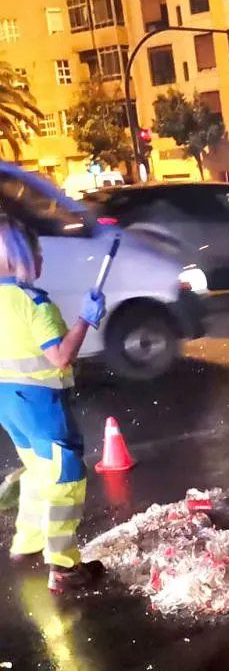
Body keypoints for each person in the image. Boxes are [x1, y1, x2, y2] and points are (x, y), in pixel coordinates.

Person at [0, 215, 107, 592]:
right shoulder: (34, 303)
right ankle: (63, 565)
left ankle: (26, 543)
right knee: (65, 478)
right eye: (36, 253)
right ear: (22, 256)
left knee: (36, 472)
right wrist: (86, 319)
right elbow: (60, 356)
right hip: (41, 402)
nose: (41, 260)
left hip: (8, 403)